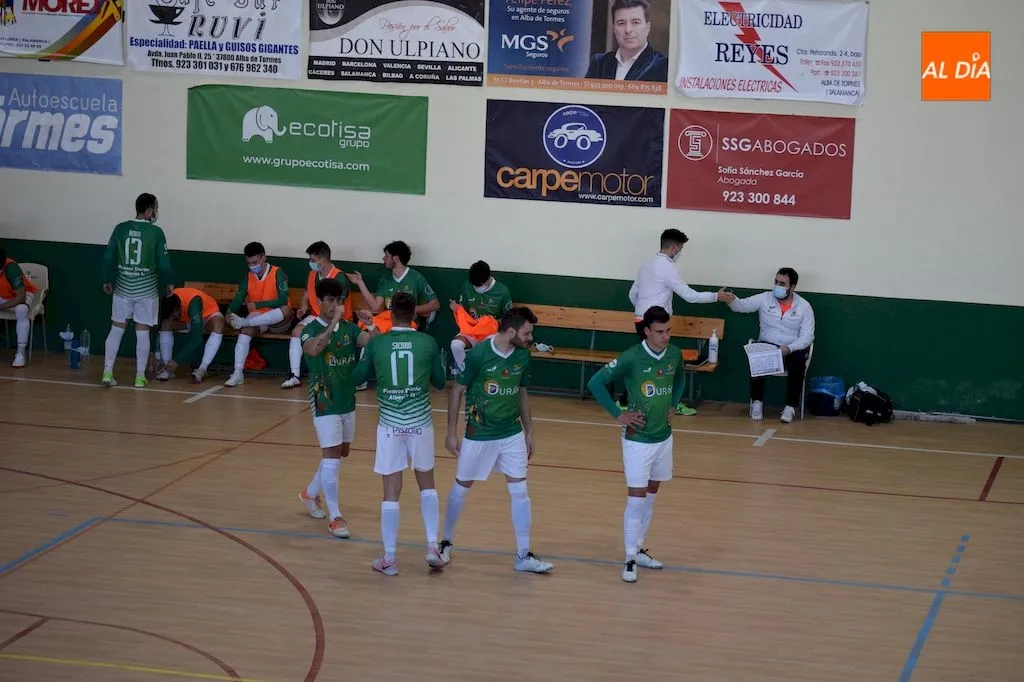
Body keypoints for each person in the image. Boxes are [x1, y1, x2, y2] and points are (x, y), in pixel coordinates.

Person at [440, 307, 553, 574]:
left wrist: (529, 431)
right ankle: (445, 543)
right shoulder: (478, 354)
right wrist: (451, 432)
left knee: (520, 491)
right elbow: (457, 391)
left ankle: (523, 555)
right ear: (511, 331)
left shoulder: (523, 355)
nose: (530, 338)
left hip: (511, 434)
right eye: (527, 333)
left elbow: (522, 393)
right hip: (479, 434)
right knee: (461, 488)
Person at [586, 306, 686, 583]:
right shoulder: (631, 357)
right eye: (660, 332)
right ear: (646, 332)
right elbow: (596, 383)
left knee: (651, 496)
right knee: (636, 498)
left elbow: (680, 378)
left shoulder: (675, 354)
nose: (666, 336)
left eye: (668, 331)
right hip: (638, 440)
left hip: (663, 438)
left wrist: (674, 404)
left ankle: (639, 548)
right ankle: (629, 559)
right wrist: (619, 415)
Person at [351, 292, 448, 576]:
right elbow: (440, 382)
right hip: (420, 424)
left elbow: (357, 377)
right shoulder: (427, 342)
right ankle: (432, 547)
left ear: (390, 314)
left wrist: (368, 345)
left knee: (390, 492)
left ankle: (390, 558)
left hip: (390, 427)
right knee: (427, 485)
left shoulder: (378, 343)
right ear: (415, 314)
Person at [298, 277, 377, 538]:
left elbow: (373, 343)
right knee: (331, 457)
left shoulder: (350, 329)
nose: (335, 305)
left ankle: (309, 493)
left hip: (347, 400)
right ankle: (335, 517)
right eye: (330, 300)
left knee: (340, 452)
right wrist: (332, 324)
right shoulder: (309, 329)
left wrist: (370, 324)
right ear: (319, 302)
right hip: (324, 401)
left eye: (338, 300)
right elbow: (314, 349)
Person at [624, 228, 734, 415]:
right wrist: (717, 296)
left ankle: (632, 401)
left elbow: (632, 295)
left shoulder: (646, 265)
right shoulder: (667, 268)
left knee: (650, 363)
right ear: (674, 248)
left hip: (641, 321)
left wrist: (643, 313)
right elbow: (690, 296)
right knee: (660, 365)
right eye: (680, 249)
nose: (680, 253)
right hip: (656, 325)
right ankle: (665, 404)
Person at [100, 193, 175, 388]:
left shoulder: (120, 228)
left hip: (122, 287)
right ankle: (140, 377)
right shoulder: (156, 232)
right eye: (156, 208)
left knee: (117, 328)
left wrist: (106, 278)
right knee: (143, 331)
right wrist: (169, 282)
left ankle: (107, 372)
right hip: (147, 290)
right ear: (149, 210)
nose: (156, 212)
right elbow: (164, 263)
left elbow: (108, 257)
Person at [727, 267, 815, 423]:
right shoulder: (765, 298)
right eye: (776, 282)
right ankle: (757, 403)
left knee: (798, 362)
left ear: (792, 287)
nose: (777, 286)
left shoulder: (804, 306)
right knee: (757, 356)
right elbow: (741, 305)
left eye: (782, 284)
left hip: (790, 348)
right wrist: (729, 299)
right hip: (768, 345)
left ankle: (790, 407)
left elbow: (808, 336)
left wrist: (789, 348)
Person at [223, 242, 293, 387]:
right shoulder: (248, 277)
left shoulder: (278, 272)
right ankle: (237, 373)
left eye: (254, 262)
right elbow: (238, 298)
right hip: (258, 319)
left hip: (278, 320)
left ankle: (245, 322)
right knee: (245, 331)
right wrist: (229, 312)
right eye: (249, 263)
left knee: (285, 309)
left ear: (263, 258)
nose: (252, 266)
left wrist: (259, 305)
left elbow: (283, 299)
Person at [282, 241, 350, 389]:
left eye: (313, 260)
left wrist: (330, 320)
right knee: (296, 332)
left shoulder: (339, 276)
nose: (310, 263)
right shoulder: (312, 274)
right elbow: (307, 293)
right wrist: (304, 305)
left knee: (328, 336)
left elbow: (339, 305)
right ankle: (295, 375)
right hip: (317, 315)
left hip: (337, 317)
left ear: (323, 260)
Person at [345, 240, 439, 333]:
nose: (383, 259)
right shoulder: (385, 278)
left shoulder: (416, 277)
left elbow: (435, 304)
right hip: (389, 321)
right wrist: (360, 282)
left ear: (396, 258)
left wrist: (410, 310)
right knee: (366, 325)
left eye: (387, 256)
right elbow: (375, 306)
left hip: (406, 323)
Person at [449, 260, 512, 376]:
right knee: (456, 345)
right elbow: (463, 310)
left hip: (491, 334)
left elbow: (509, 318)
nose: (477, 288)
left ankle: (484, 376)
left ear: (488, 279)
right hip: (471, 331)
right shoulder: (467, 286)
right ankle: (465, 374)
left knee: (488, 348)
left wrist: (490, 322)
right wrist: (456, 308)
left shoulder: (502, 291)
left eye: (479, 285)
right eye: (474, 285)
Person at [584, 0, 668, 82]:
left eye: (635, 22)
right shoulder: (599, 63)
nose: (628, 30)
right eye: (621, 23)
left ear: (647, 27)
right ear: (614, 29)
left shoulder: (663, 66)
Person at [155, 287, 225, 383]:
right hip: (188, 320)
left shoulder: (194, 304)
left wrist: (176, 361)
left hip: (208, 316)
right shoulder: (167, 303)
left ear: (178, 308)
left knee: (218, 324)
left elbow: (197, 339)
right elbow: (159, 327)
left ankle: (202, 369)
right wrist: (155, 354)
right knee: (165, 324)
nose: (171, 318)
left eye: (173, 316)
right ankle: (167, 369)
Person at [0, 246, 40, 368]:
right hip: (2, 295)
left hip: (22, 295)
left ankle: (20, 353)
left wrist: (1, 307)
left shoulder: (12, 269)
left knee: (22, 310)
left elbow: (21, 297)